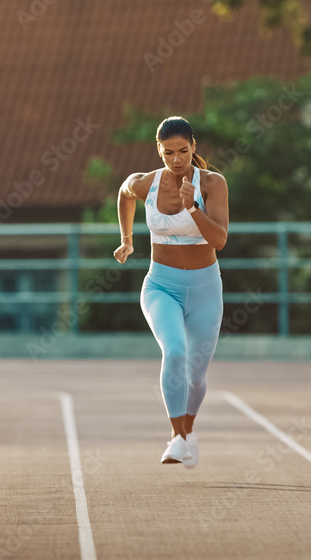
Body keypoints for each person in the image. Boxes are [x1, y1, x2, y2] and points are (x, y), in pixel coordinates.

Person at [113, 116, 229, 468]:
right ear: (158, 151)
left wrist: (193, 207)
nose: (176, 159)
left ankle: (189, 431)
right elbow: (123, 192)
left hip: (205, 288)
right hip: (161, 285)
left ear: (193, 147)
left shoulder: (212, 183)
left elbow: (220, 240)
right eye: (168, 153)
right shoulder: (147, 182)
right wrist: (127, 239)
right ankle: (177, 438)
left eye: (182, 151)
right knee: (174, 351)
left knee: (196, 374)